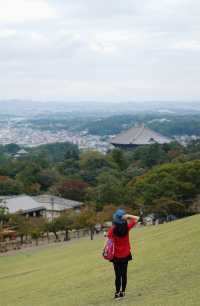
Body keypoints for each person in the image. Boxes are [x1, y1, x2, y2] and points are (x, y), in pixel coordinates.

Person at [107, 209, 139, 299]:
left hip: (116, 256)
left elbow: (108, 240)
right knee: (124, 274)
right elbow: (137, 218)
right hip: (126, 254)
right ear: (124, 219)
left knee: (118, 275)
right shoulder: (127, 227)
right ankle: (123, 292)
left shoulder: (112, 230)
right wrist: (128, 216)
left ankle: (117, 294)